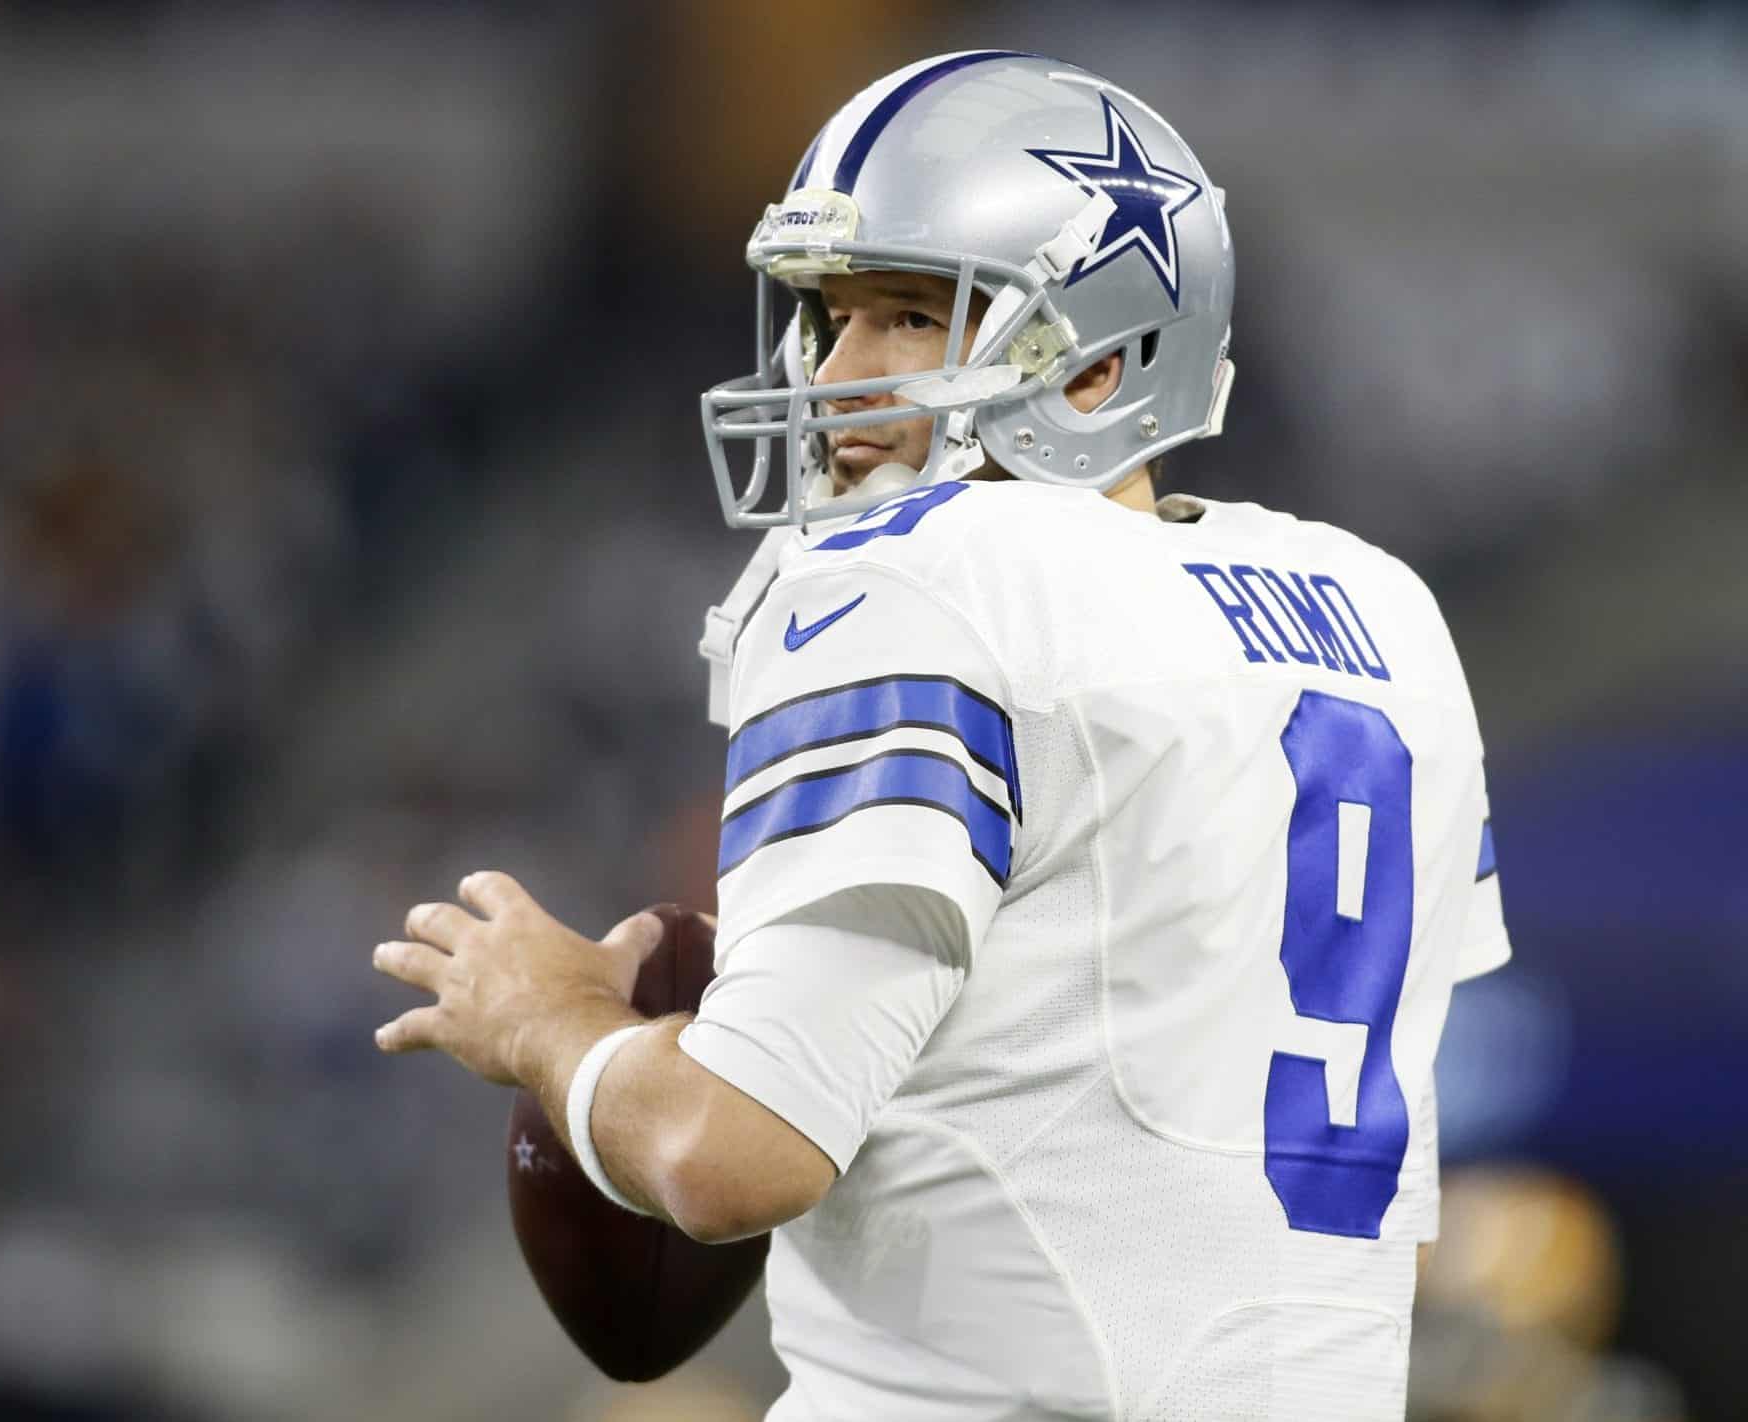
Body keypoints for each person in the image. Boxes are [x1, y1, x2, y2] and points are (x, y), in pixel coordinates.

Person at [371, 52, 1510, 1420]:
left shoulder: (922, 575)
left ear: (1095, 365)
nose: (837, 371)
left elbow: (729, 1157)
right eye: (830, 316)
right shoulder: (1381, 612)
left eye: (911, 316)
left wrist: (549, 1022)